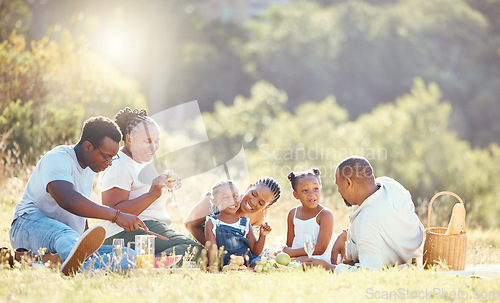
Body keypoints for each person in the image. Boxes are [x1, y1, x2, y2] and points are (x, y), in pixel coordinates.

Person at [9, 116, 146, 276]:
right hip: (27, 225)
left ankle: (42, 262)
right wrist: (116, 215)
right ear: (88, 146)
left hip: (66, 238)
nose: (109, 162)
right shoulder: (58, 158)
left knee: (126, 254)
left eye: (112, 158)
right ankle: (83, 270)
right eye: (106, 156)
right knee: (66, 236)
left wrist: (85, 238)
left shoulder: (90, 167)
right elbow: (68, 200)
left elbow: (80, 209)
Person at [99, 107, 202, 260]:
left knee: (196, 248)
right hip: (123, 233)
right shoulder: (119, 165)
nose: (154, 147)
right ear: (129, 139)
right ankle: (141, 265)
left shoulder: (142, 160)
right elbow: (112, 211)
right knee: (193, 250)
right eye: (148, 141)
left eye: (157, 141)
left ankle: (141, 261)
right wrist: (152, 194)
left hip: (150, 228)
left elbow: (147, 193)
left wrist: (166, 184)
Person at [307, 156, 424, 272]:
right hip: (416, 254)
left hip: (401, 267)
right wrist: (347, 233)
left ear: (348, 182)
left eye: (338, 185)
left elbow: (369, 271)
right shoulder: (390, 185)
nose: (338, 190)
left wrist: (329, 267)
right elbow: (384, 220)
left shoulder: (366, 221)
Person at [185, 177, 281, 245]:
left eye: (261, 203)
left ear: (266, 207)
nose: (253, 202)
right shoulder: (220, 197)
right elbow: (189, 224)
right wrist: (214, 250)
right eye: (253, 194)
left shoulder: (258, 217)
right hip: (199, 244)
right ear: (249, 187)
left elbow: (249, 244)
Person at [205, 180, 271, 267]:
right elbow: (212, 253)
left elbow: (256, 251)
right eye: (226, 197)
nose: (232, 200)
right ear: (216, 201)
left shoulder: (245, 223)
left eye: (235, 196)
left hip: (246, 261)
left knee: (259, 263)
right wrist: (215, 266)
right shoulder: (212, 223)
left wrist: (262, 235)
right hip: (226, 263)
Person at [282, 168, 334, 263]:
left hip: (320, 259)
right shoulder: (293, 214)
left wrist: (291, 253)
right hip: (297, 258)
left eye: (316, 189)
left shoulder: (325, 215)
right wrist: (285, 253)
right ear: (295, 195)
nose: (312, 194)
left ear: (321, 190)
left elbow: (320, 249)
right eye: (305, 190)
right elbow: (289, 245)